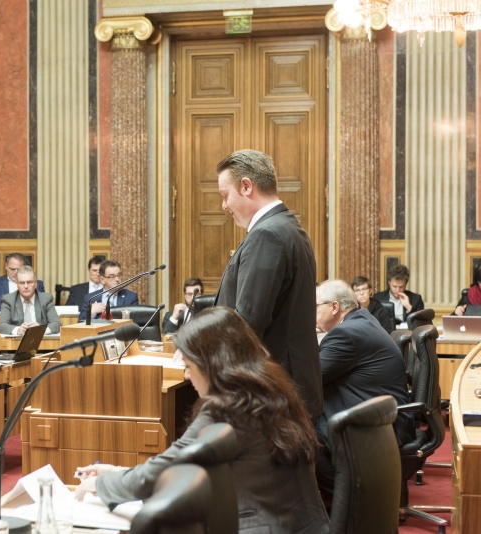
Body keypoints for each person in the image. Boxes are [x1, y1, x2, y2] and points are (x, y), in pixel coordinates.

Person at [74, 307, 329, 533]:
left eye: (187, 365)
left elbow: (164, 471)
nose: (186, 375)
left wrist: (100, 482)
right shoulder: (272, 388)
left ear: (211, 363)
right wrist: (119, 472)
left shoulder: (228, 409)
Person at [212, 149, 322, 419]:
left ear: (246, 187)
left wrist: (201, 354)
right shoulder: (287, 226)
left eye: (226, 196)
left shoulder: (267, 234)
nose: (224, 206)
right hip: (286, 387)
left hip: (272, 393)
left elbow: (248, 322)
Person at [314, 279, 414, 494]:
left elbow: (310, 380)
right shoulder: (361, 319)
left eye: (316, 307)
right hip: (386, 415)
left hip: (376, 426)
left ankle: (353, 499)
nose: (312, 312)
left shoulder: (345, 334)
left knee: (299, 431)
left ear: (334, 307)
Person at [0, 266, 61, 335]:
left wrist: (40, 329)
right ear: (17, 284)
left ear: (35, 284)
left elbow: (57, 324)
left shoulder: (45, 299)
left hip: (41, 341)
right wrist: (18, 330)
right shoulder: (8, 300)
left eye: (29, 282)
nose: (26, 286)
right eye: (22, 283)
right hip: (17, 342)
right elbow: (1, 325)